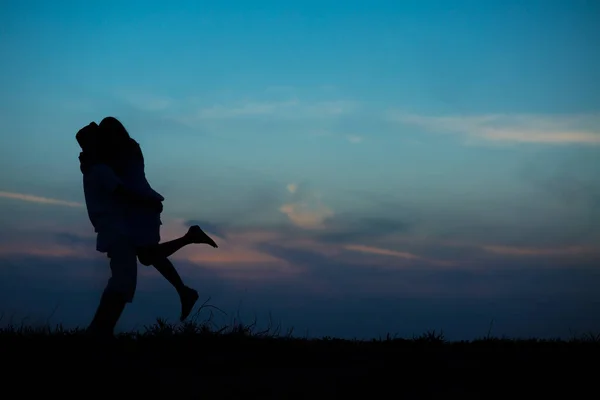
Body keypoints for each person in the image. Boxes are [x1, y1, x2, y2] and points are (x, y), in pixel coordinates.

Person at [96, 117, 218, 321]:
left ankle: (189, 251)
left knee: (147, 255)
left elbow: (114, 175)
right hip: (140, 206)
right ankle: (184, 288)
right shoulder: (129, 148)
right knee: (147, 255)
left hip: (142, 206)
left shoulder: (122, 152)